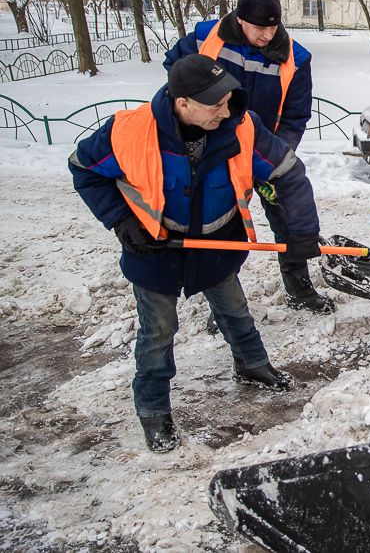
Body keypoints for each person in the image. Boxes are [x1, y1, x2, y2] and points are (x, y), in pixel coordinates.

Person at [69, 54, 323, 453]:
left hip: (218, 241)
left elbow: (287, 171)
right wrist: (122, 221)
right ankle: (153, 408)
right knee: (158, 330)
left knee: (234, 308)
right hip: (153, 247)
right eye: (215, 104)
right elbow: (83, 168)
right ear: (181, 101)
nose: (225, 112)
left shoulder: (241, 127)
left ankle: (251, 363)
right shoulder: (129, 131)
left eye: (227, 101)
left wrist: (303, 232)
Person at [164, 0, 335, 320]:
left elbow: (295, 117)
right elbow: (175, 69)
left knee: (286, 219)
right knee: (219, 225)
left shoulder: (295, 58)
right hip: (213, 149)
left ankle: (299, 290)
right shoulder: (205, 37)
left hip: (262, 150)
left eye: (274, 26)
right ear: (240, 20)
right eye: (260, 27)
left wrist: (275, 163)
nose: (268, 34)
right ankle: (223, 304)